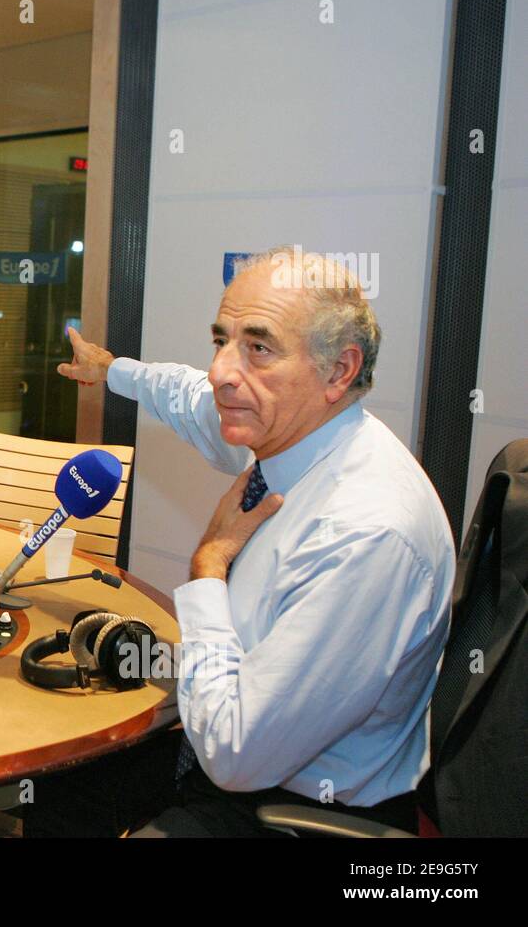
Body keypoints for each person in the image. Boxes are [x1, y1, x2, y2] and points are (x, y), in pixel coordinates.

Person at [27, 246, 454, 837]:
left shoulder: (366, 532)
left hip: (285, 803)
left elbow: (235, 754)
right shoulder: (296, 434)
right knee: (56, 791)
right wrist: (113, 370)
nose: (222, 371)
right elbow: (191, 401)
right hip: (225, 744)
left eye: (259, 347)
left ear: (339, 371)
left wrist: (208, 569)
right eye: (220, 341)